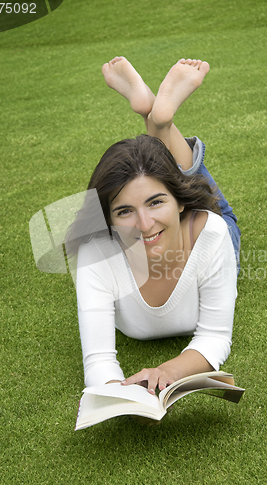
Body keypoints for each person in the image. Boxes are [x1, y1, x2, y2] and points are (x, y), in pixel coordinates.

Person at [68, 57, 240, 396]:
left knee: (224, 218)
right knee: (155, 179)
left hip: (202, 231)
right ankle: (158, 120)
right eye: (124, 211)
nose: (144, 225)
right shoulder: (96, 256)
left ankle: (160, 125)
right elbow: (99, 360)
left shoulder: (211, 233)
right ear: (107, 219)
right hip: (176, 222)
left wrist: (166, 372)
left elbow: (215, 336)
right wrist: (127, 396)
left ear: (180, 205)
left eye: (155, 204)